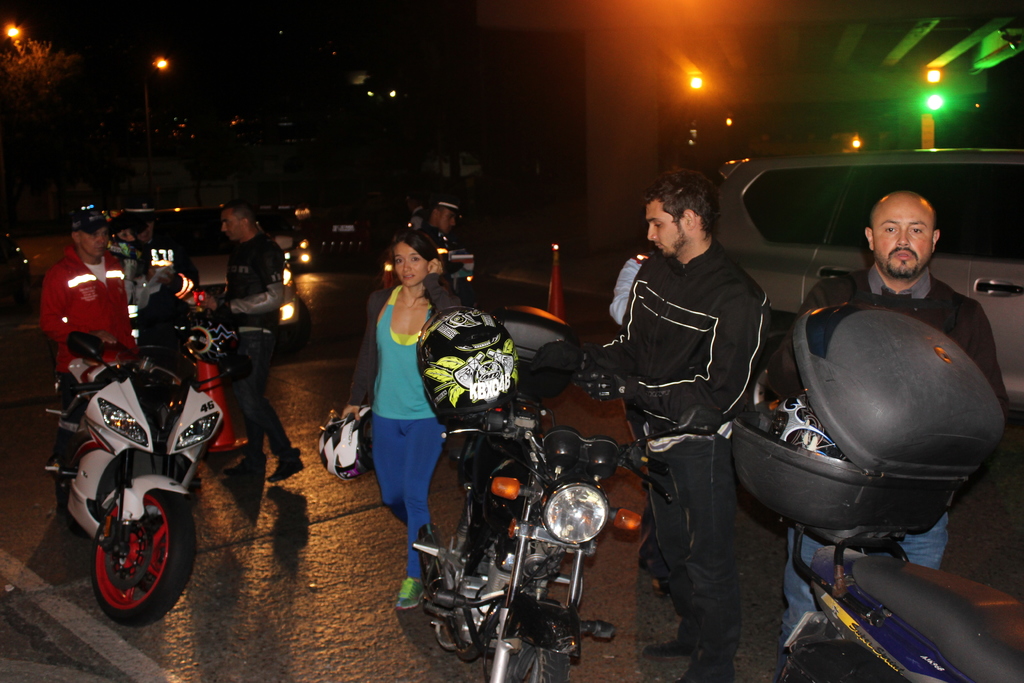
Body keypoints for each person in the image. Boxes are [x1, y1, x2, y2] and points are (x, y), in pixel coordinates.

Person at [536, 170, 770, 683]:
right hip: (652, 437)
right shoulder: (655, 272)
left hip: (700, 446)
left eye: (656, 223)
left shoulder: (738, 298)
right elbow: (632, 348)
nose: (648, 234)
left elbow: (718, 399)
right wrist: (583, 357)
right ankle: (692, 633)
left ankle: (716, 663)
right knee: (670, 547)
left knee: (708, 558)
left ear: (690, 220)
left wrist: (631, 390)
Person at [767, 190, 1008, 669]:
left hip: (917, 511)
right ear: (870, 238)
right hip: (832, 504)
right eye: (891, 228)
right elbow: (784, 375)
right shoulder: (832, 298)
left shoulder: (963, 315)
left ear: (934, 240)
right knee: (806, 620)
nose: (903, 240)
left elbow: (991, 412)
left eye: (916, 229)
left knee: (904, 634)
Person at [343, 228, 460, 610]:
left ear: (430, 262)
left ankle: (415, 576)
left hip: (427, 417)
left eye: (414, 259)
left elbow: (458, 325)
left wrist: (435, 284)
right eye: (398, 259)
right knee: (391, 496)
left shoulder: (441, 303)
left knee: (413, 494)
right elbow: (367, 352)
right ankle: (425, 536)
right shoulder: (380, 300)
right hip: (385, 415)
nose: (405, 267)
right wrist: (354, 399)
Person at [203, 199, 303, 483]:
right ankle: (255, 461)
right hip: (241, 332)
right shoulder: (240, 251)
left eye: (227, 222)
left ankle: (288, 456)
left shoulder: (266, 249)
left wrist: (232, 307)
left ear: (244, 221)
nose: (223, 228)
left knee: (248, 398)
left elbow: (275, 297)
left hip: (258, 333)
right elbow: (238, 292)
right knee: (249, 398)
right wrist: (218, 301)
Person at [40, 210, 137, 466]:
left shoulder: (115, 266)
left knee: (121, 430)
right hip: (78, 367)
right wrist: (86, 336)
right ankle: (64, 495)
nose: (101, 239)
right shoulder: (60, 273)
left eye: (104, 234)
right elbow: (49, 322)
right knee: (73, 433)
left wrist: (132, 352)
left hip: (118, 363)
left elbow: (122, 317)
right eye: (94, 234)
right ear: (76, 236)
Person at [128, 201, 198, 349]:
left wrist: (174, 282)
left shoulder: (170, 247)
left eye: (149, 222)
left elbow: (192, 282)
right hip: (130, 329)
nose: (145, 228)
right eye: (139, 224)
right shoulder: (119, 250)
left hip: (165, 329)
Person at [419, 194, 475, 306]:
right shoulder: (421, 239)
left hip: (459, 304)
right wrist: (444, 267)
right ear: (436, 213)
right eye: (449, 216)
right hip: (436, 305)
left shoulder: (451, 239)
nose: (453, 222)